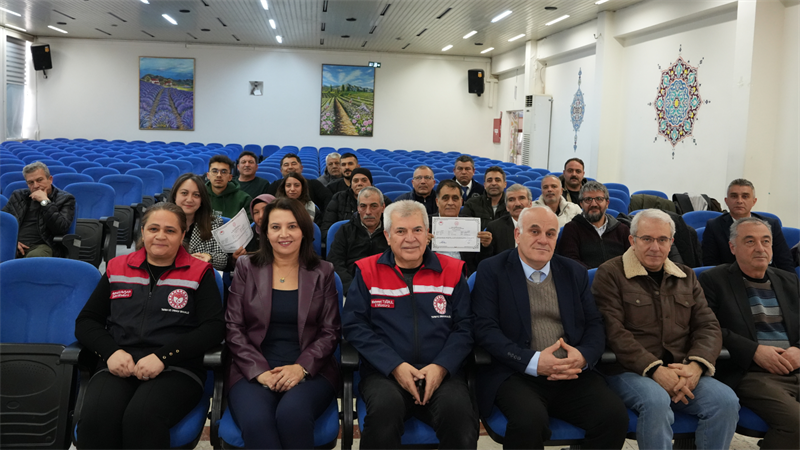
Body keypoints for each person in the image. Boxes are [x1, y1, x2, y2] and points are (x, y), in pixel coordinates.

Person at [472, 206, 629, 450]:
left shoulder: (574, 271)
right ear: (517, 235)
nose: (543, 240)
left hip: (571, 373)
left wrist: (583, 357)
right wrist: (533, 361)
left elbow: (594, 324)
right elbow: (485, 329)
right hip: (516, 372)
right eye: (534, 231)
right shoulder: (492, 269)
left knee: (614, 417)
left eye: (550, 233)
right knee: (529, 422)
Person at [74, 202, 225, 449]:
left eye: (170, 230)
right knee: (96, 419)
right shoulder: (117, 267)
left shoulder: (200, 272)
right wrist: (111, 352)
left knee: (142, 418)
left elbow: (213, 328)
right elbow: (86, 321)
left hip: (177, 368)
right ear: (142, 232)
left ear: (182, 235)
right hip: (119, 364)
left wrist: (163, 357)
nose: (160, 236)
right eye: (154, 229)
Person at [592, 208, 740, 450]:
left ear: (671, 242)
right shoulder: (610, 273)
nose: (655, 247)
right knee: (657, 401)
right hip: (628, 370)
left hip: (682, 368)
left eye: (662, 239)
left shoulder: (686, 276)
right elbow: (613, 331)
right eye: (647, 239)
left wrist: (696, 366)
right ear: (632, 240)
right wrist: (654, 370)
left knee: (725, 401)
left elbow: (708, 326)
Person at [342, 200, 478, 450]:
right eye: (401, 231)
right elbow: (354, 326)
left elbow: (465, 327)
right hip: (385, 373)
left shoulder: (452, 270)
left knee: (460, 420)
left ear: (428, 234)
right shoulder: (367, 271)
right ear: (387, 236)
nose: (410, 238)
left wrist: (441, 367)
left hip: (441, 372)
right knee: (383, 416)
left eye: (417, 230)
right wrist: (394, 366)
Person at [225, 198, 341, 450]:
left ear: (304, 231)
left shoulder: (323, 271)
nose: (284, 234)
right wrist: (260, 371)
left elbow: (330, 332)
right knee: (257, 421)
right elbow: (234, 328)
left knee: (292, 416)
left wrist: (301, 368)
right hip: (252, 367)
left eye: (292, 226)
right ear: (265, 232)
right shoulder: (246, 267)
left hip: (311, 369)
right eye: (275, 227)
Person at [699, 217, 800, 450]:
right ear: (732, 247)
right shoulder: (713, 280)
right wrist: (754, 351)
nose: (760, 248)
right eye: (750, 241)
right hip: (751, 373)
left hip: (794, 366)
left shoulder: (789, 280)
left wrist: (799, 349)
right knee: (796, 424)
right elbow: (707, 328)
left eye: (766, 241)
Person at [702, 179, 793, 272]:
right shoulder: (714, 226)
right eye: (734, 196)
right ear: (726, 201)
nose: (739, 201)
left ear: (754, 201)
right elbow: (710, 265)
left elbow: (785, 261)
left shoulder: (771, 224)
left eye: (745, 196)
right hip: (729, 276)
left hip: (766, 276)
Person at [2, 161, 75, 258]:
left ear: (50, 179)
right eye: (30, 182)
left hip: (43, 245)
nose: (36, 186)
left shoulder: (65, 199)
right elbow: (3, 224)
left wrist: (45, 202)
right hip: (16, 244)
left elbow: (60, 228)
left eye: (39, 180)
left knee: (36, 256)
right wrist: (12, 242)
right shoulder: (18, 196)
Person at [327, 186, 389, 293]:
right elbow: (335, 262)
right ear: (358, 208)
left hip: (387, 287)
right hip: (352, 287)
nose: (368, 212)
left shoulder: (392, 231)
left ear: (383, 207)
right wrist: (352, 289)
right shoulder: (344, 230)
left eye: (374, 206)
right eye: (363, 206)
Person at [557, 181, 630, 269]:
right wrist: (597, 274)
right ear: (581, 204)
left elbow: (631, 260)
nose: (594, 204)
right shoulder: (571, 229)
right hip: (586, 276)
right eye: (588, 199)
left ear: (607, 203)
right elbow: (571, 261)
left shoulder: (622, 229)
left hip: (618, 277)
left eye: (599, 199)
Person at [169, 174, 230, 270]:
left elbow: (223, 260)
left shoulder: (214, 223)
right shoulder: (162, 222)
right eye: (184, 193)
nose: (189, 200)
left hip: (200, 274)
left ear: (202, 200)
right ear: (175, 196)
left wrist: (209, 257)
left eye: (196, 195)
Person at [429, 179, 490, 274]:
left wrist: (486, 246)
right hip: (434, 274)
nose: (450, 203)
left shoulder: (471, 224)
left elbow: (480, 262)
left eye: (455, 198)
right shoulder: (425, 225)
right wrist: (422, 245)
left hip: (464, 275)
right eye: (445, 198)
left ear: (461, 202)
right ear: (437, 201)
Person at [321, 168, 390, 241]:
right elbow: (326, 229)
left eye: (364, 180)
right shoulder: (338, 198)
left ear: (371, 184)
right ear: (351, 184)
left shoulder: (383, 200)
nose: (359, 183)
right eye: (355, 181)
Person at [479, 183, 532, 261]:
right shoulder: (495, 227)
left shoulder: (542, 225)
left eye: (521, 198)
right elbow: (486, 261)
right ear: (507, 207)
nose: (517, 204)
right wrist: (486, 246)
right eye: (511, 200)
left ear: (530, 204)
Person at [267, 153, 332, 214]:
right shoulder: (275, 186)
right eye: (286, 165)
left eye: (293, 164)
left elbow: (328, 200)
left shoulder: (314, 184)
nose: (290, 167)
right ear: (281, 170)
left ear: (301, 168)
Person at [206, 154, 252, 220]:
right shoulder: (199, 195)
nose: (219, 175)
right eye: (215, 171)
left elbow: (248, 224)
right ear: (208, 175)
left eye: (224, 172)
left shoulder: (244, 199)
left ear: (230, 177)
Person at [461, 165, 508, 229]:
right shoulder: (471, 204)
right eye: (489, 180)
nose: (493, 183)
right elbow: (464, 228)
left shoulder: (512, 205)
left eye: (497, 180)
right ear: (485, 185)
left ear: (505, 184)